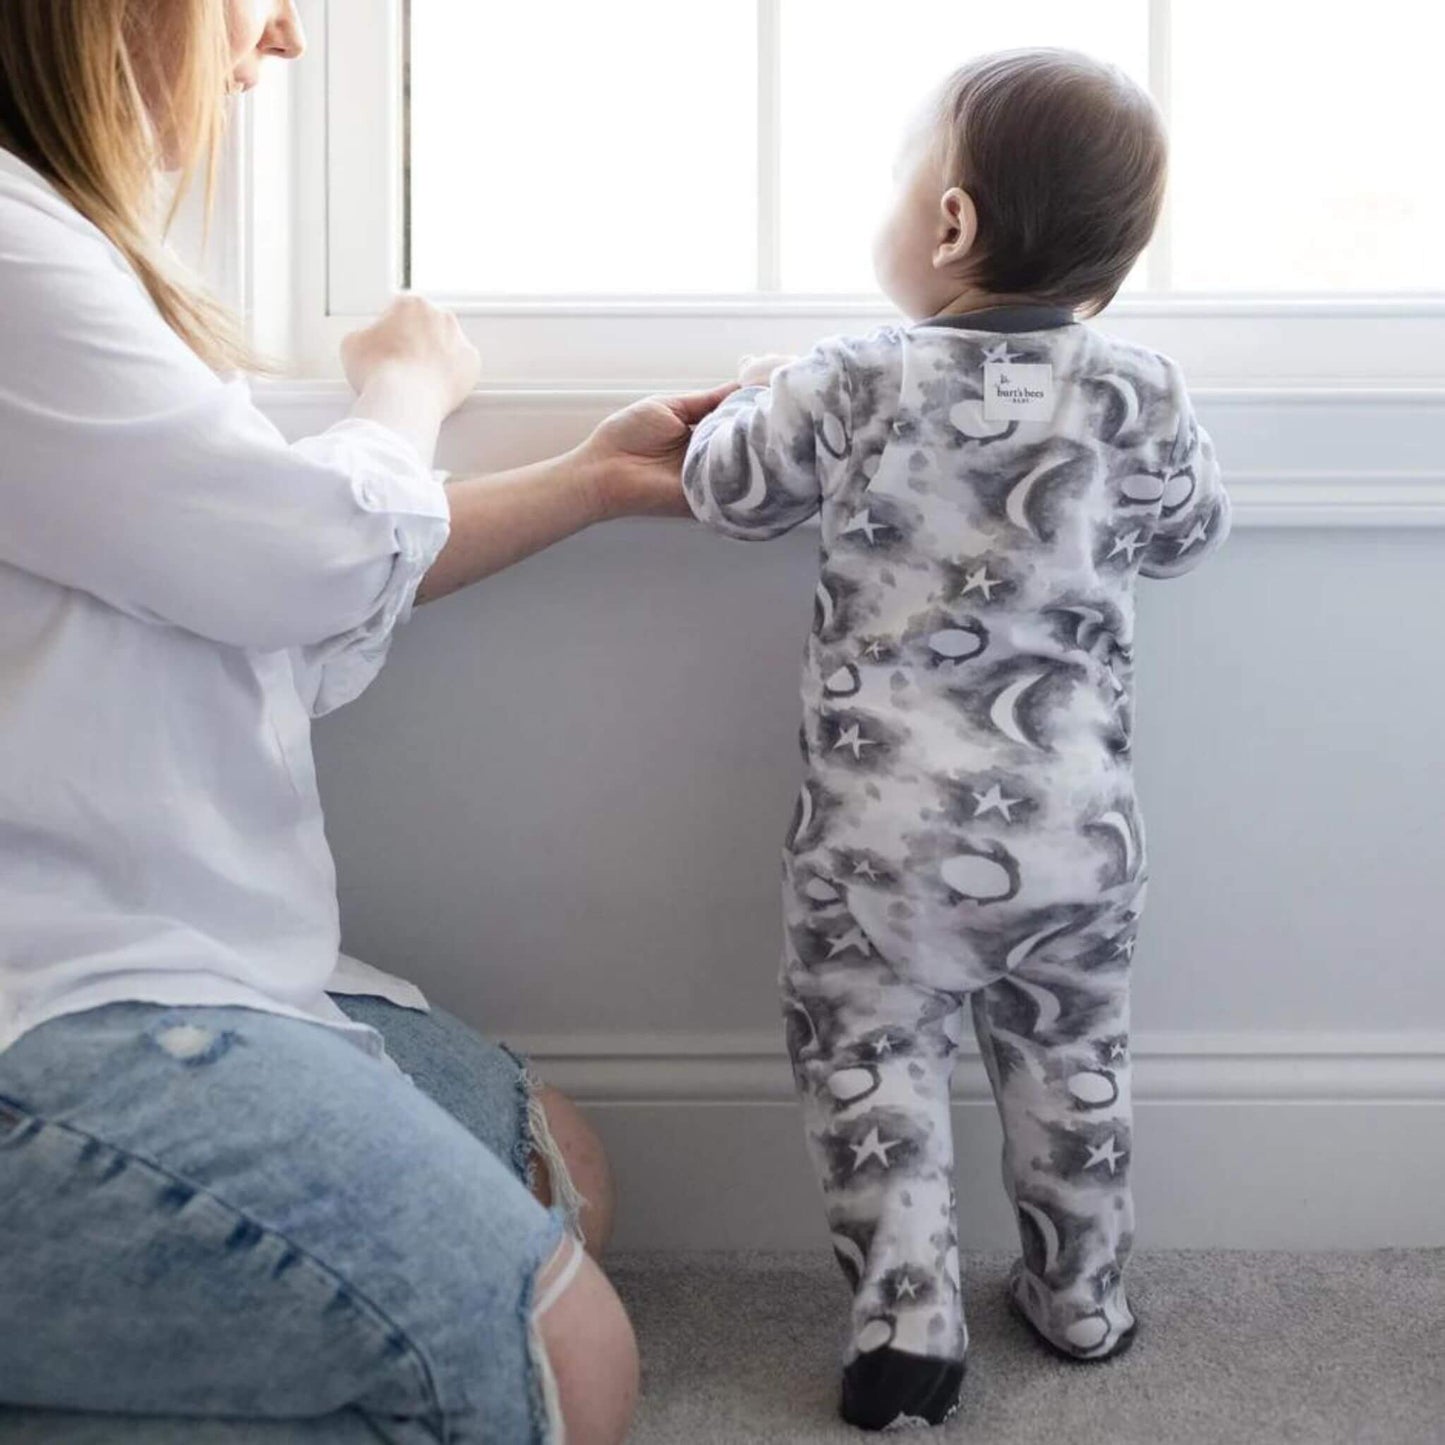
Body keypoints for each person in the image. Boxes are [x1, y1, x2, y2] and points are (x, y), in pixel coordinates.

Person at [0, 3, 727, 1442]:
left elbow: (275, 591)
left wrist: (585, 481)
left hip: (172, 957)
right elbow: (309, 555)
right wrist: (405, 387)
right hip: (51, 999)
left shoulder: (64, 257)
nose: (283, 37)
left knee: (550, 1163)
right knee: (556, 1370)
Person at [682, 48, 1230, 1431]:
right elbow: (1186, 531)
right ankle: (1081, 1293)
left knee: (871, 1061)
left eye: (901, 179)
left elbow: (727, 490)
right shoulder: (1136, 394)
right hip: (1078, 841)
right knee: (1073, 1064)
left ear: (950, 226)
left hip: (878, 849)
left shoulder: (854, 379)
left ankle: (907, 1326)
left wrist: (759, 396)